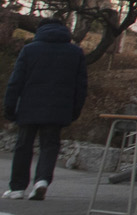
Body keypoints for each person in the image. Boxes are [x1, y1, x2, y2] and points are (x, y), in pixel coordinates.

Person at [4, 20, 89, 201]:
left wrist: (9, 108)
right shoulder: (75, 53)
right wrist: (75, 110)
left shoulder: (30, 50)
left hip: (29, 106)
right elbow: (81, 86)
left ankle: (18, 188)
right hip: (58, 109)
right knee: (49, 146)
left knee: (23, 146)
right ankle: (41, 181)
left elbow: (15, 82)